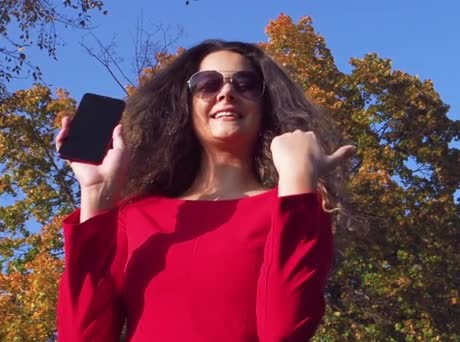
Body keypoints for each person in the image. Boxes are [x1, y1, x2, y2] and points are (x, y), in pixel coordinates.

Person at [55, 39, 355, 342]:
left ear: (265, 104)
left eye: (245, 83)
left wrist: (297, 177)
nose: (226, 92)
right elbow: (80, 336)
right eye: (207, 84)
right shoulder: (135, 216)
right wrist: (97, 193)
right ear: (185, 103)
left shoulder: (293, 209)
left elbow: (283, 331)